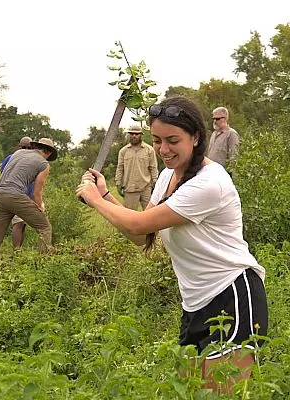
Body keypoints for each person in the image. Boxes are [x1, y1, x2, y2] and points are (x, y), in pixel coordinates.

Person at [76, 96, 267, 391]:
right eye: (158, 140)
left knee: (222, 395)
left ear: (195, 137)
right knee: (192, 392)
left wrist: (93, 199)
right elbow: (142, 235)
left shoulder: (209, 183)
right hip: (194, 303)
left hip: (232, 296)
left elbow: (136, 224)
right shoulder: (167, 176)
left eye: (173, 140)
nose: (163, 150)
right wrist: (105, 196)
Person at [0, 138, 58, 260]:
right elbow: (36, 192)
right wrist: (40, 208)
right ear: (49, 152)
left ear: (36, 146)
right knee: (44, 227)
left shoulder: (18, 153)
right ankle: (42, 263)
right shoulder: (44, 164)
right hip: (15, 195)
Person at [0, 136, 35, 249]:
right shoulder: (11, 158)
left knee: (22, 224)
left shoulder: (33, 160)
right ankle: (16, 251)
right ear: (19, 147)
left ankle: (18, 249)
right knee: (18, 224)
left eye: (28, 148)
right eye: (23, 147)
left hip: (27, 196)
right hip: (16, 195)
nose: (26, 150)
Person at [115, 124, 159, 210]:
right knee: (128, 216)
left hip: (146, 187)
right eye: (132, 134)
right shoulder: (123, 151)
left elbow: (153, 167)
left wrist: (155, 181)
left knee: (150, 214)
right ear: (129, 135)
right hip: (130, 188)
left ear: (141, 135)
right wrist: (118, 183)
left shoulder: (149, 150)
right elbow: (120, 168)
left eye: (137, 134)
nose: (134, 136)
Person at [207, 107, 239, 171]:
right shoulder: (214, 134)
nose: (215, 121)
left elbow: (234, 158)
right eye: (214, 119)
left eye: (217, 119)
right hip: (211, 172)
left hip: (223, 174)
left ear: (225, 118)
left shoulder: (231, 134)